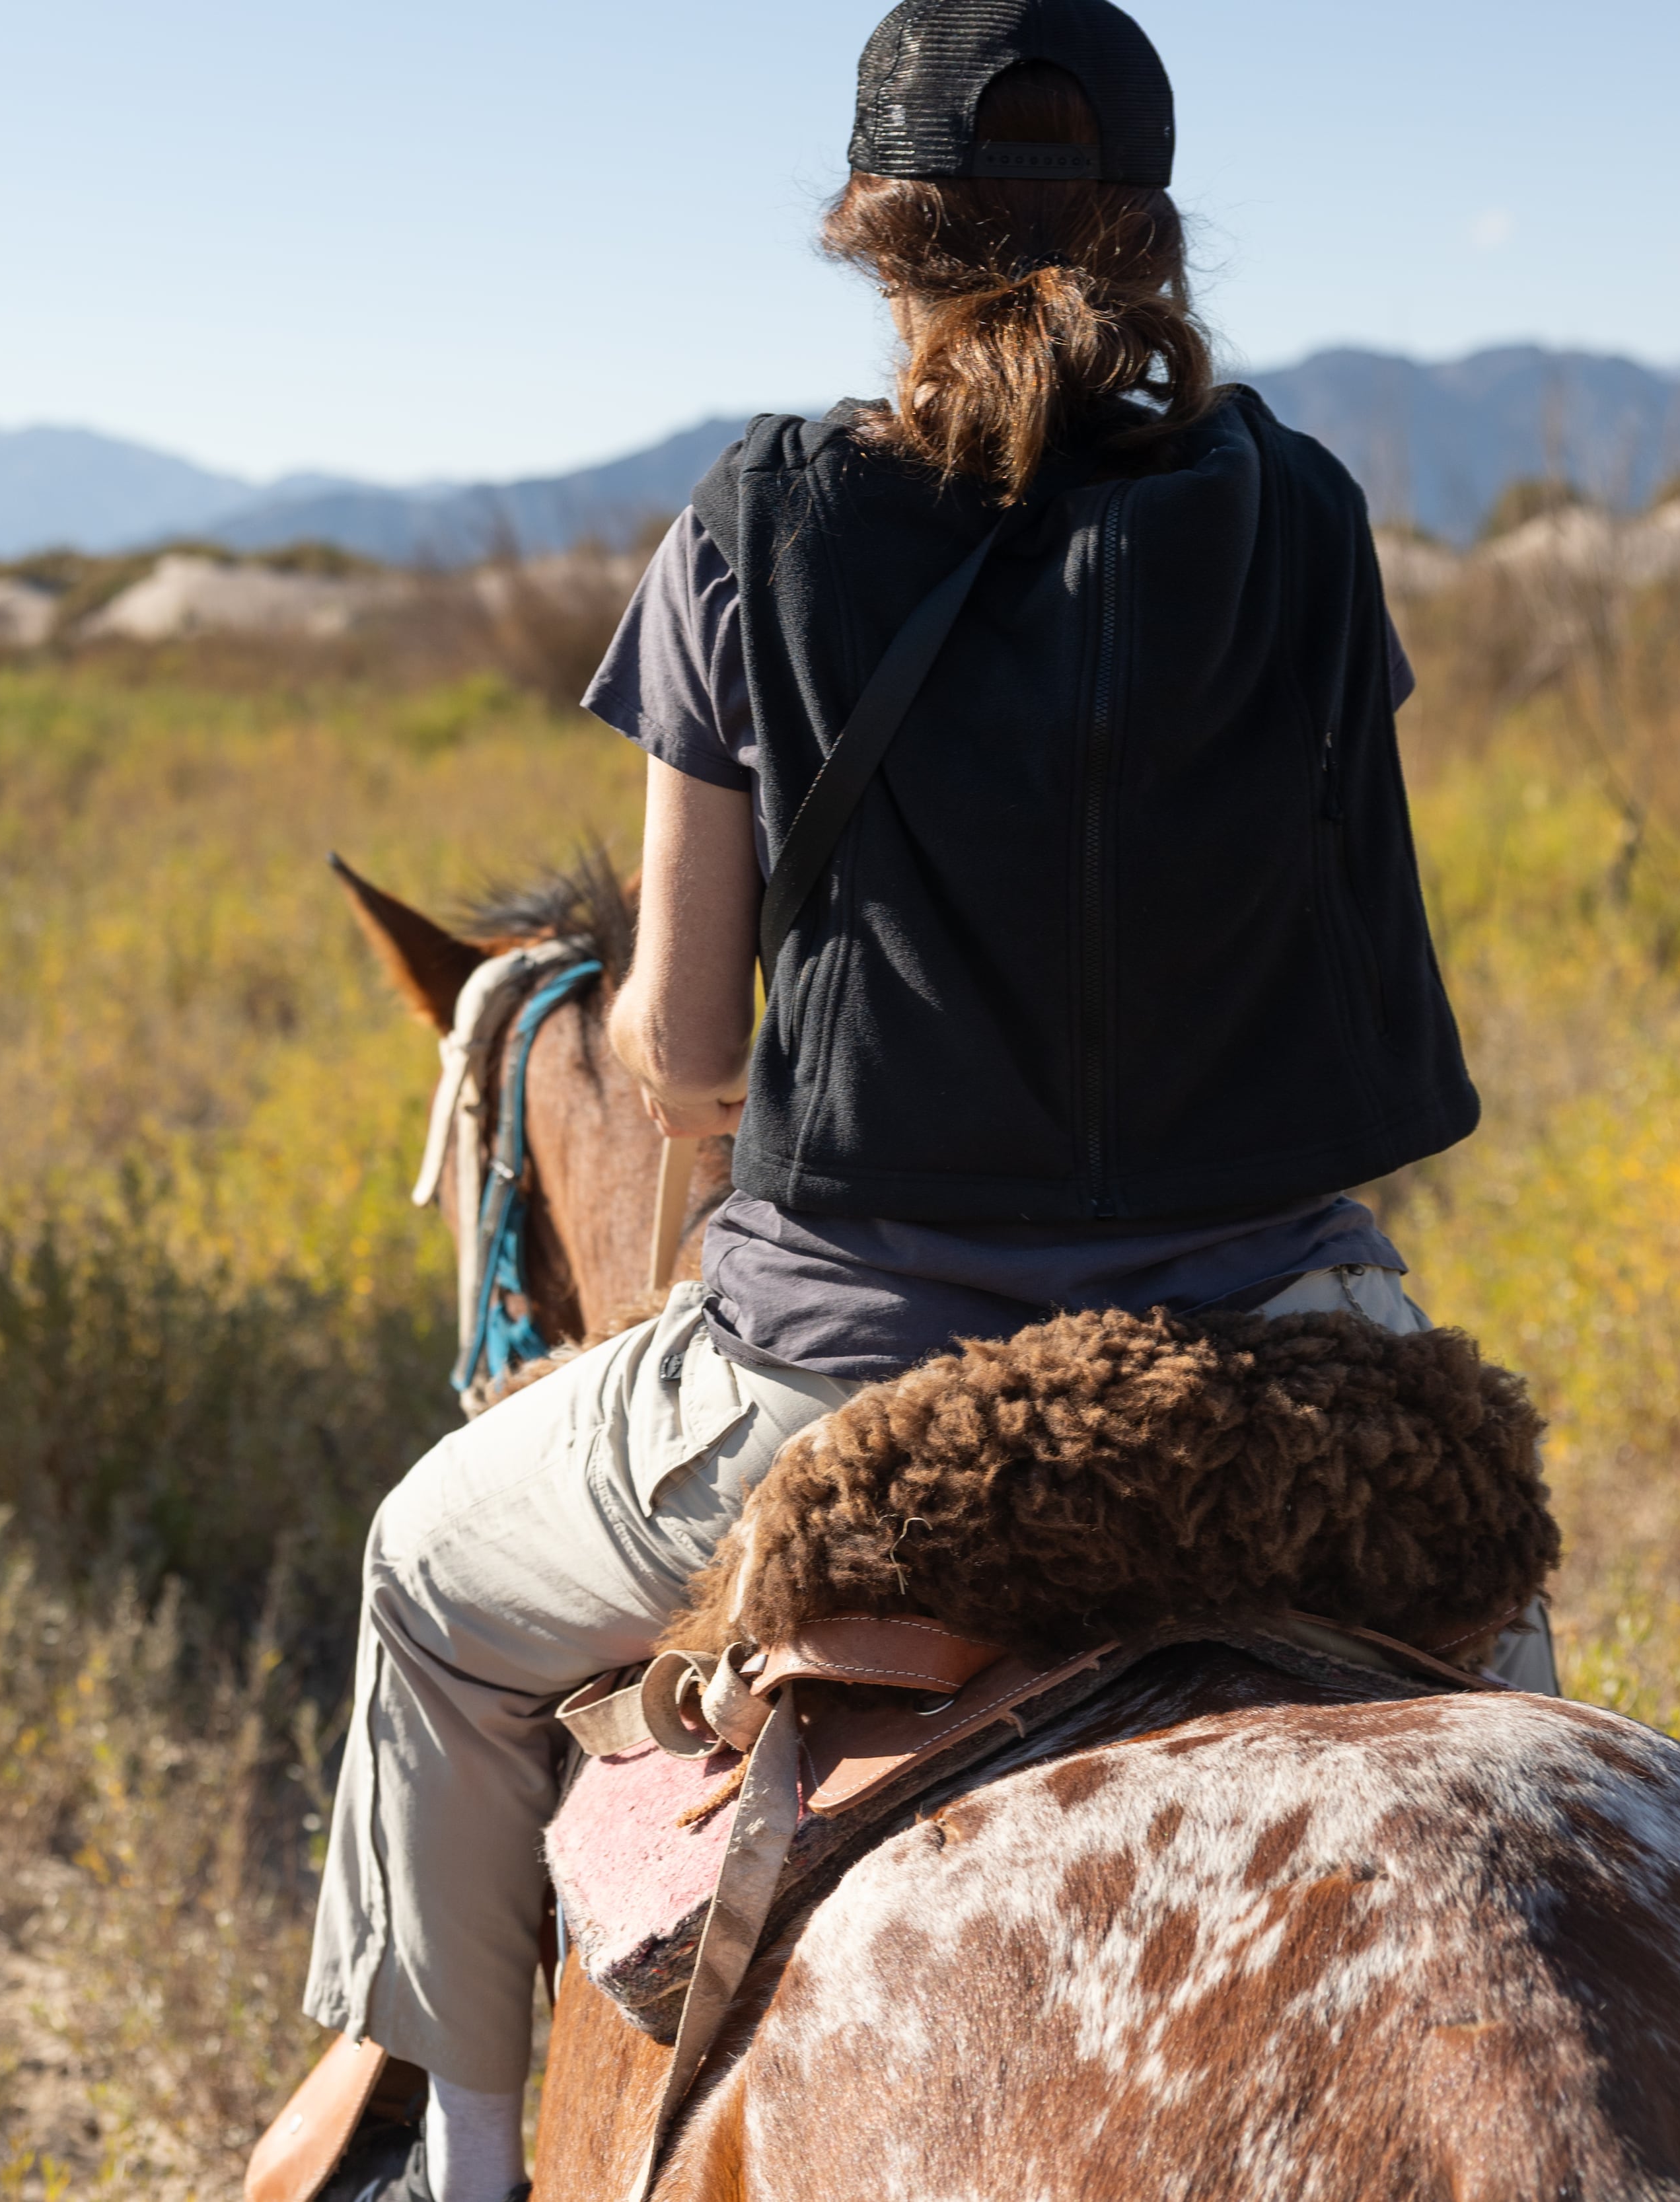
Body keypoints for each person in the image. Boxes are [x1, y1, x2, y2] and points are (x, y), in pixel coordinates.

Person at [283, 6, 1516, 2199]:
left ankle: (467, 2165)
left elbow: (675, 1050)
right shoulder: (1310, 513)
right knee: (1513, 1702)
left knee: (422, 1580)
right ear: (1148, 234)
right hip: (1298, 1341)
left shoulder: (761, 519)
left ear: (874, 235)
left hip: (851, 1360)